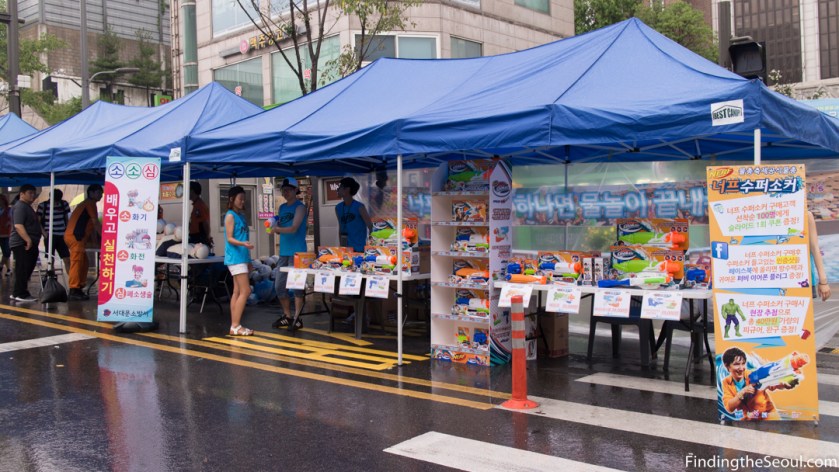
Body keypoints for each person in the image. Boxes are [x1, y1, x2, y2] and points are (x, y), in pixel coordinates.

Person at [271, 177, 307, 330]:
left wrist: (276, 229)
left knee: (297, 286)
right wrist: (273, 225)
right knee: (279, 286)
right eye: (283, 190)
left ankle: (298, 318)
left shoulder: (300, 207)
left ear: (295, 190)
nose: (285, 192)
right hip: (284, 252)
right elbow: (280, 228)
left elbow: (294, 228)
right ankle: (288, 316)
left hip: (298, 252)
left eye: (288, 189)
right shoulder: (282, 208)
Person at [721, 347, 786, 420]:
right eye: (736, 364)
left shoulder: (753, 375)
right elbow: (730, 408)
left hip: (768, 416)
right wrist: (742, 392)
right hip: (748, 419)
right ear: (727, 366)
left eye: (743, 364)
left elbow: (773, 384)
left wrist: (786, 383)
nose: (741, 368)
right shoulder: (726, 382)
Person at [64, 184, 103, 301]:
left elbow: (92, 227)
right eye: (98, 192)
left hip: (78, 238)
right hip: (75, 237)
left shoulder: (89, 205)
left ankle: (79, 287)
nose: (101, 195)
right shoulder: (89, 203)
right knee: (77, 262)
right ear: (91, 193)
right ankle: (73, 289)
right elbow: (96, 223)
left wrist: (98, 243)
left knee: (84, 262)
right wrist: (106, 238)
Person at [224, 186, 254, 336]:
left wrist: (248, 260)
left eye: (244, 198)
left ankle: (234, 325)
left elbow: (243, 238)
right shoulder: (230, 216)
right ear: (232, 199)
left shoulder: (241, 216)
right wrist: (243, 245)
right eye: (240, 198)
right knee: (245, 291)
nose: (243, 201)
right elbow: (229, 238)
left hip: (242, 257)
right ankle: (236, 325)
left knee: (237, 291)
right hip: (235, 258)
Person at [9, 185, 40, 303]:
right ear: (22, 194)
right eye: (30, 193)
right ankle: (21, 293)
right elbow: (18, 225)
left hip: (27, 241)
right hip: (21, 242)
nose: (32, 195)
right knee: (23, 267)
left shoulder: (27, 207)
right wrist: (28, 239)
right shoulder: (21, 207)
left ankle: (18, 291)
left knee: (26, 267)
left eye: (34, 193)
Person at [36, 189, 72, 273]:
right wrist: (44, 233)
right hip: (49, 235)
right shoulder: (43, 205)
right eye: (55, 200)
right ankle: (51, 278)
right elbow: (37, 221)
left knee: (67, 258)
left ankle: (71, 280)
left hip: (62, 235)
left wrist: (67, 231)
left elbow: (67, 219)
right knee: (50, 259)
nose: (56, 203)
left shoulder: (64, 204)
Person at [335, 177, 372, 252]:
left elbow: (370, 226)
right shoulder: (338, 208)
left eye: (340, 187)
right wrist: (341, 246)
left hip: (359, 249)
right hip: (345, 248)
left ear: (347, 189)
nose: (337, 189)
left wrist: (371, 244)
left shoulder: (359, 207)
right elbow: (340, 227)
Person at [808, 210, 831, 301]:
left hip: (802, 277)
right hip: (767, 275)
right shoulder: (761, 212)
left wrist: (823, 281)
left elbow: (814, 247)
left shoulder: (805, 214)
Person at [188, 181, 213, 247]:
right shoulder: (196, 204)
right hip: (194, 236)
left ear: (192, 191)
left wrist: (207, 237)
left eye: (188, 190)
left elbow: (205, 222)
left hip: (198, 238)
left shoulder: (200, 206)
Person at [0, 194, 12, 277]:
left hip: (6, 235)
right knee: (5, 253)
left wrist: (10, 222)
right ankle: (8, 269)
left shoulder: (9, 210)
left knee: (7, 252)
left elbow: (14, 219)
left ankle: (0, 266)